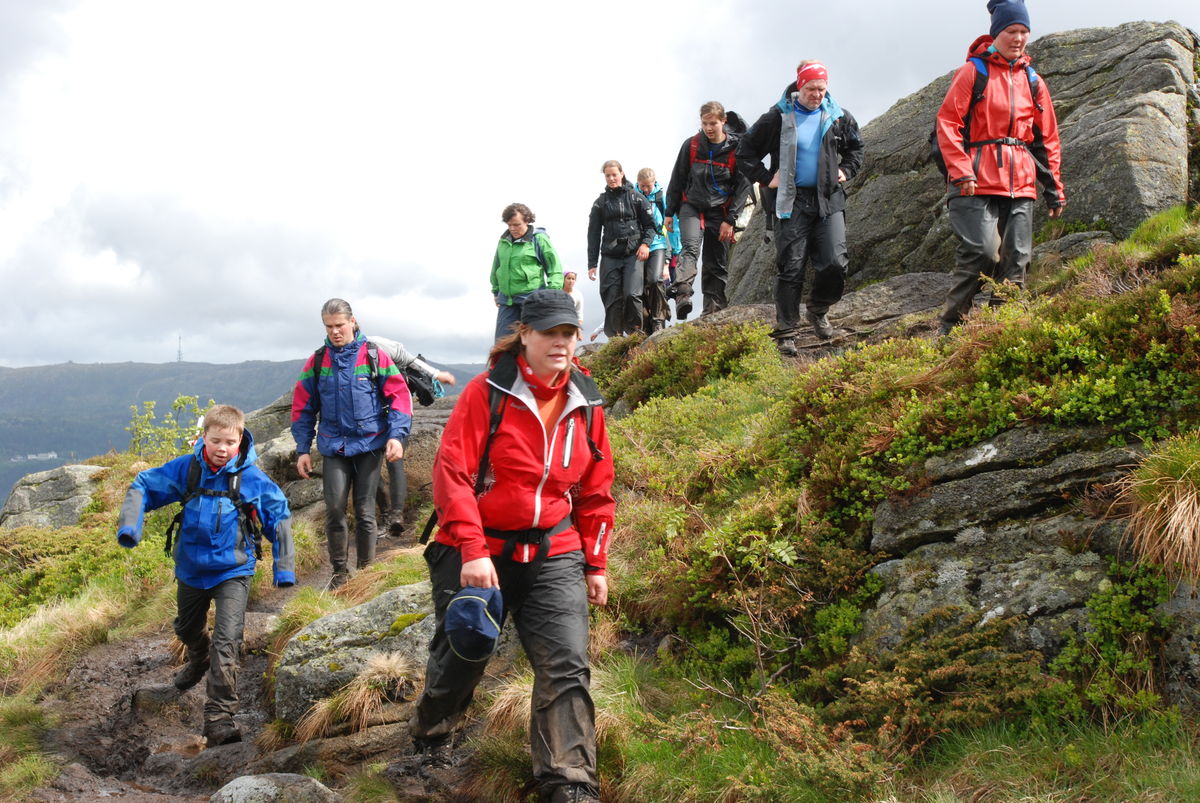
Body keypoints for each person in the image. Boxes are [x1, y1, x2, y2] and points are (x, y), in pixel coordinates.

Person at [410, 289, 615, 803]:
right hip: (477, 545)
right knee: (465, 651)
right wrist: (475, 551)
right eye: (551, 333)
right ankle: (433, 728)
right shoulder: (487, 393)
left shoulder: (587, 401)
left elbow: (596, 490)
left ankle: (567, 782)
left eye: (569, 333)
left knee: (566, 662)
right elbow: (452, 475)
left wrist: (595, 562)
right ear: (524, 334)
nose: (562, 343)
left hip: (554, 549)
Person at [116, 404, 295, 747]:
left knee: (228, 642)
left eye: (229, 441)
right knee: (186, 628)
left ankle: (219, 718)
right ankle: (198, 657)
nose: (222, 448)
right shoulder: (188, 469)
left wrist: (283, 568)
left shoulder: (250, 477)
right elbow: (144, 485)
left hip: (233, 571)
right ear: (203, 438)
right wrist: (130, 526)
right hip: (192, 570)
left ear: (240, 439)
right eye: (216, 441)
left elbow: (279, 515)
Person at [936, 0, 1065, 336]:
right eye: (1012, 31)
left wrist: (1054, 189)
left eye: (1024, 31)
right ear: (997, 33)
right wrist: (961, 170)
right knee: (982, 254)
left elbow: (1046, 138)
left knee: (1017, 260)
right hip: (973, 182)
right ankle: (950, 331)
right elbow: (948, 123)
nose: (1019, 37)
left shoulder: (1033, 81)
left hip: (1021, 182)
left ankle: (1000, 332)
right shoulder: (973, 72)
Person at [737, 60, 864, 355]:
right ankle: (787, 330)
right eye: (811, 89)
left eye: (821, 88)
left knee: (835, 262)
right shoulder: (778, 117)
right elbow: (745, 151)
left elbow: (856, 148)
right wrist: (767, 178)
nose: (816, 94)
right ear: (799, 86)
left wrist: (847, 169)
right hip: (791, 202)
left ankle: (818, 310)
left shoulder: (838, 116)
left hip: (828, 199)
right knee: (791, 266)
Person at [291, 298, 412, 588]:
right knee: (334, 508)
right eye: (329, 326)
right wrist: (302, 449)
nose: (335, 331)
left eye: (340, 325)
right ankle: (339, 574)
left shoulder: (374, 355)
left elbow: (400, 397)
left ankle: (366, 575)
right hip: (334, 446)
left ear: (353, 322)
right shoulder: (318, 361)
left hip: (370, 444)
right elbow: (303, 407)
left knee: (365, 510)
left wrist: (396, 436)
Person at [664, 101, 751, 320]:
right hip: (691, 205)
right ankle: (683, 293)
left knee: (716, 263)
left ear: (724, 121)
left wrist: (730, 220)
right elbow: (678, 178)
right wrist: (669, 212)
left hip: (721, 212)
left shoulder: (736, 150)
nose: (709, 128)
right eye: (705, 123)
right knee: (691, 247)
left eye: (713, 123)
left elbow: (743, 187)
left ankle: (714, 312)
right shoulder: (691, 146)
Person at [366, 335, 457, 539]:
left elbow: (409, 359)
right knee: (369, 465)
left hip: (398, 411)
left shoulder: (377, 345)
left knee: (393, 461)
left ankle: (395, 517)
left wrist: (437, 373)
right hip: (370, 417)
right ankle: (390, 516)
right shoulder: (340, 354)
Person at [586, 160, 658, 336]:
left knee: (632, 295)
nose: (611, 178)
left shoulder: (636, 197)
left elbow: (650, 225)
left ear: (622, 174)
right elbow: (593, 234)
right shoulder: (600, 203)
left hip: (633, 254)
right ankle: (616, 339)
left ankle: (636, 335)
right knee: (611, 297)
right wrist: (592, 263)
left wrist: (645, 244)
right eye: (608, 175)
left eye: (614, 174)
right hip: (610, 256)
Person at [492, 202, 564, 342]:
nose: (512, 228)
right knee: (502, 344)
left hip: (532, 298)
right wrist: (495, 291)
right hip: (507, 300)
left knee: (535, 341)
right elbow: (496, 267)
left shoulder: (538, 239)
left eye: (517, 224)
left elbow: (554, 268)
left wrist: (552, 294)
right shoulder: (503, 241)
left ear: (527, 221)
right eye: (509, 225)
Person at [635, 167, 682, 332]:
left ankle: (658, 320)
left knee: (655, 280)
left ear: (654, 182)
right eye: (642, 186)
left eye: (648, 186)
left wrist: (676, 248)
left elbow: (672, 223)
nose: (646, 189)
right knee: (639, 287)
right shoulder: (633, 195)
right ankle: (645, 323)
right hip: (637, 246)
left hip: (658, 243)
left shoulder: (661, 196)